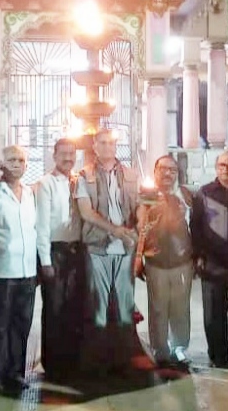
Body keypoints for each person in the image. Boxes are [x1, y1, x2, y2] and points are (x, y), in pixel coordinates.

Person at [0, 146, 52, 396]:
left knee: (21, 326)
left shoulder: (29, 194)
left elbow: (37, 230)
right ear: (1, 165)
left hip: (27, 272)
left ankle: (15, 374)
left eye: (21, 160)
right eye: (12, 160)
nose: (17, 164)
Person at [76, 128, 139, 374]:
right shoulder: (85, 175)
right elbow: (86, 212)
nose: (107, 147)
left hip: (125, 249)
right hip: (97, 247)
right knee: (98, 307)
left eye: (110, 143)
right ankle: (97, 362)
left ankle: (125, 361)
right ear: (94, 146)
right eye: (101, 143)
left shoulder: (131, 175)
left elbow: (140, 206)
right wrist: (115, 230)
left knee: (125, 306)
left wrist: (137, 227)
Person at [191, 151, 228, 369]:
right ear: (216, 168)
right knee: (214, 314)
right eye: (222, 165)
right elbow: (195, 227)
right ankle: (218, 355)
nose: (226, 168)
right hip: (212, 264)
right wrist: (198, 256)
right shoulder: (204, 193)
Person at [135, 155, 194, 368]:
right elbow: (141, 227)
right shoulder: (148, 196)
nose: (167, 173)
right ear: (155, 172)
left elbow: (195, 225)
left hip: (183, 261)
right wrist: (138, 256)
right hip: (156, 261)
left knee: (181, 308)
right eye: (163, 169)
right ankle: (160, 351)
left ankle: (179, 349)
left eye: (172, 170)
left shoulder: (185, 195)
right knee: (158, 308)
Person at [35, 138, 85, 379]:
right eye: (63, 154)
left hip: (77, 252)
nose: (68, 158)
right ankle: (53, 364)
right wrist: (45, 261)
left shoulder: (78, 182)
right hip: (55, 252)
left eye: (71, 154)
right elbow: (42, 225)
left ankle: (72, 360)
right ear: (54, 156)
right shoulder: (45, 183)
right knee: (54, 309)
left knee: (73, 308)